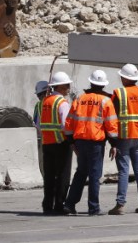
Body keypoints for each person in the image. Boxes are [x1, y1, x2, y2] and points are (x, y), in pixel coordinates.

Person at [62, 69, 118, 216]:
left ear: (91, 83)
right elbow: (111, 126)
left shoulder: (79, 99)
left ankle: (69, 204)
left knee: (80, 173)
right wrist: (114, 144)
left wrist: (71, 142)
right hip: (95, 143)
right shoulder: (106, 101)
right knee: (94, 175)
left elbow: (69, 123)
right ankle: (93, 208)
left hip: (80, 141)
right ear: (103, 85)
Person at [108, 63, 138, 215]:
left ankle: (120, 205)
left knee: (123, 171)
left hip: (122, 137)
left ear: (124, 78)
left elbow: (111, 117)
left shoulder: (119, 93)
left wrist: (112, 140)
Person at [39, 72, 73, 215]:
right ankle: (59, 204)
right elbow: (67, 126)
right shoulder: (62, 103)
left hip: (47, 143)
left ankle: (47, 204)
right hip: (61, 143)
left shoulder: (44, 102)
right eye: (66, 85)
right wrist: (72, 141)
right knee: (63, 176)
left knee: (49, 176)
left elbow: (38, 124)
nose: (68, 88)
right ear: (59, 86)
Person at [32, 80, 48, 181]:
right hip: (47, 138)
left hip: (44, 138)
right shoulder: (55, 102)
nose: (39, 97)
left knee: (43, 163)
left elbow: (34, 122)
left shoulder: (38, 105)